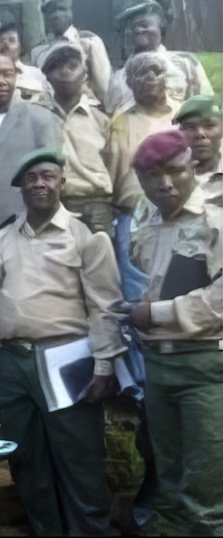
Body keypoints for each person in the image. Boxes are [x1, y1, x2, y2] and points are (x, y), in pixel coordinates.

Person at [0, 149, 126, 535]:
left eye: (47, 176)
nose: (39, 183)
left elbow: (105, 305)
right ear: (21, 188)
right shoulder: (4, 236)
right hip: (13, 362)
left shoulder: (85, 235)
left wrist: (105, 364)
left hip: (67, 358)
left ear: (62, 182)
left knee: (80, 460)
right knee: (26, 461)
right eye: (31, 178)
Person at [127, 130, 222, 536]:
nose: (165, 184)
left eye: (175, 172)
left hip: (203, 366)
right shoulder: (141, 221)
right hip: (157, 366)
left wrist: (155, 313)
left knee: (204, 489)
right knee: (167, 477)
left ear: (192, 167)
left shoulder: (214, 219)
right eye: (152, 176)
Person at [0, 53, 62, 292]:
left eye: (8, 74)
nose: (1, 81)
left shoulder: (40, 118)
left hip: (26, 224)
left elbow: (53, 176)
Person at [36, 45, 115, 234]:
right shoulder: (37, 116)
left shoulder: (101, 119)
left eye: (72, 66)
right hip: (51, 203)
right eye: (57, 67)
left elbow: (113, 161)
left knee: (97, 260)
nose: (65, 72)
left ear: (85, 74)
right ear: (47, 76)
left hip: (96, 203)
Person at [108, 0, 213, 114]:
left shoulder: (186, 63)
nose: (138, 30)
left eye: (144, 25)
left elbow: (207, 107)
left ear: (161, 29)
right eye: (133, 27)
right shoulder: (118, 77)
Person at [108, 52, 180, 214]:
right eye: (141, 73)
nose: (150, 77)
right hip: (133, 211)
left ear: (165, 79)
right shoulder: (121, 119)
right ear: (129, 82)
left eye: (156, 71)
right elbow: (113, 170)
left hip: (178, 210)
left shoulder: (183, 115)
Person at [30, 0, 112, 105]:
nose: (57, 15)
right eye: (52, 11)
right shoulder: (38, 50)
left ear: (71, 13)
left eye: (62, 9)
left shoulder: (88, 41)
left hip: (82, 107)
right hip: (48, 108)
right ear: (46, 17)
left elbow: (103, 84)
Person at [173, 95, 222, 195]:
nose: (200, 134)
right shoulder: (169, 177)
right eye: (190, 127)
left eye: (209, 126)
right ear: (179, 133)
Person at [0, 23, 48, 102]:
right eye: (1, 41)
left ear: (19, 46)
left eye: (11, 40)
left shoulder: (36, 75)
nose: (6, 45)